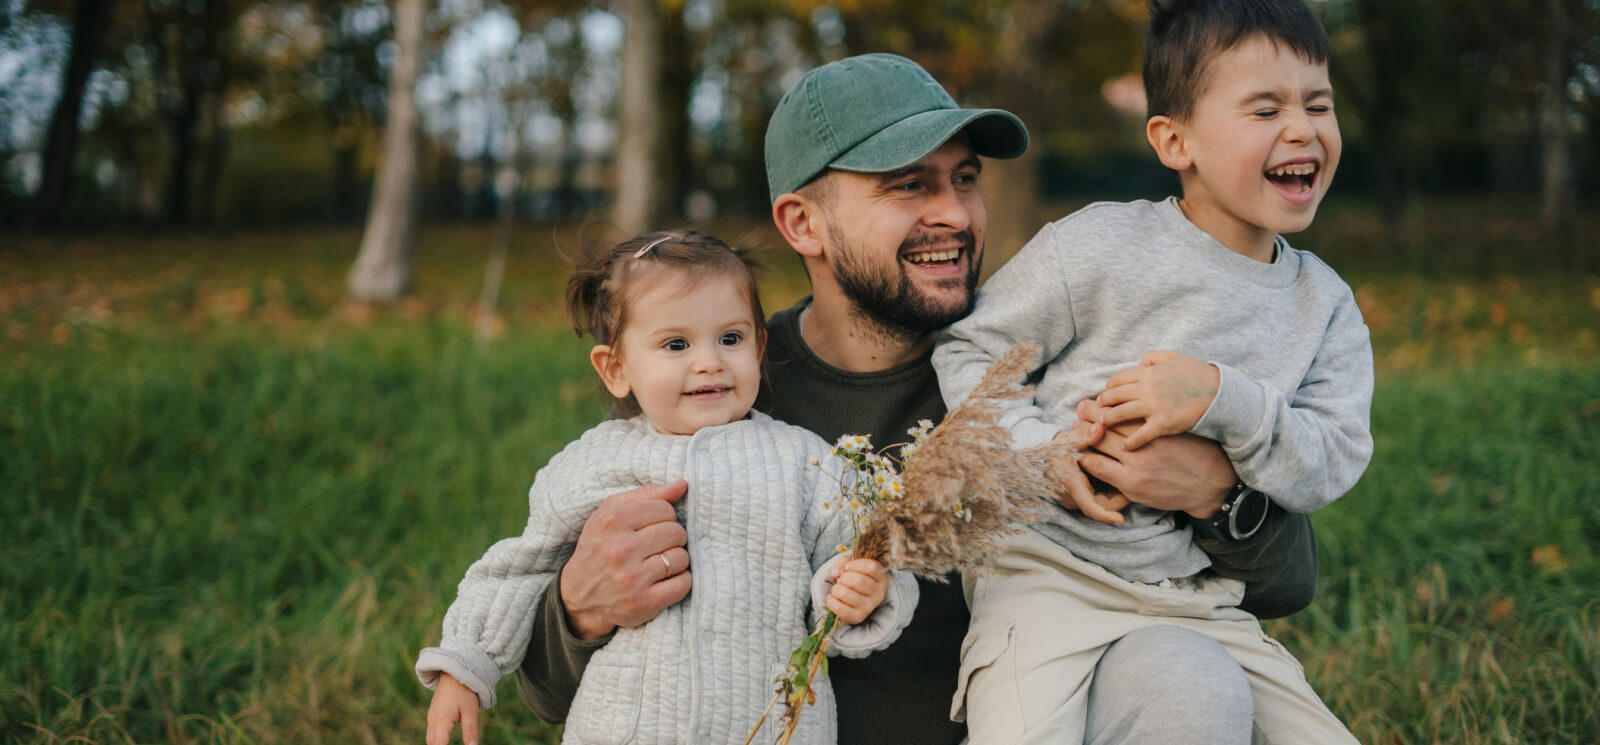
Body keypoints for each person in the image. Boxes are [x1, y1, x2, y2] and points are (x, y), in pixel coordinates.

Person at [516, 53, 1324, 745]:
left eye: (963, 179)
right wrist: (580, 610)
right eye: (908, 185)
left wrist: (1220, 497)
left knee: (1188, 674)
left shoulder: (1038, 368)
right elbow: (549, 691)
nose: (954, 214)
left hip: (1056, 712)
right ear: (804, 222)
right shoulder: (717, 395)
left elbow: (1289, 583)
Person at [933, 1, 1373, 743]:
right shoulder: (1096, 246)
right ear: (1175, 140)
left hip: (1195, 595)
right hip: (1048, 574)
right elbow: (972, 351)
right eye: (1265, 108)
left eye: (1317, 103)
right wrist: (1040, 454)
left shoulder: (1322, 306)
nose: (1302, 128)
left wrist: (1221, 398)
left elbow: (1330, 460)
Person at [415, 230, 918, 745]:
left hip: (773, 726)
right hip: (624, 728)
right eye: (676, 344)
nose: (709, 361)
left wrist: (862, 592)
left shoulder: (807, 461)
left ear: (759, 345)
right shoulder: (595, 462)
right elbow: (518, 569)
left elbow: (861, 554)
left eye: (731, 338)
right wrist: (463, 662)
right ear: (616, 369)